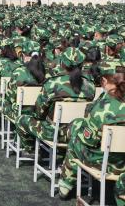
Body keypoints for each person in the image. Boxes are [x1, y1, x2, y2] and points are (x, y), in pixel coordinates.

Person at [57, 65, 125, 200]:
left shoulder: (104, 107)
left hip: (106, 163)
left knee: (75, 141)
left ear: (104, 81)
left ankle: (65, 184)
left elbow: (88, 140)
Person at [16, 47, 96, 153]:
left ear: (62, 63)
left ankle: (31, 151)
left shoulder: (52, 83)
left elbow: (38, 113)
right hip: (78, 132)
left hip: (55, 133)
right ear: (82, 65)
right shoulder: (90, 86)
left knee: (21, 120)